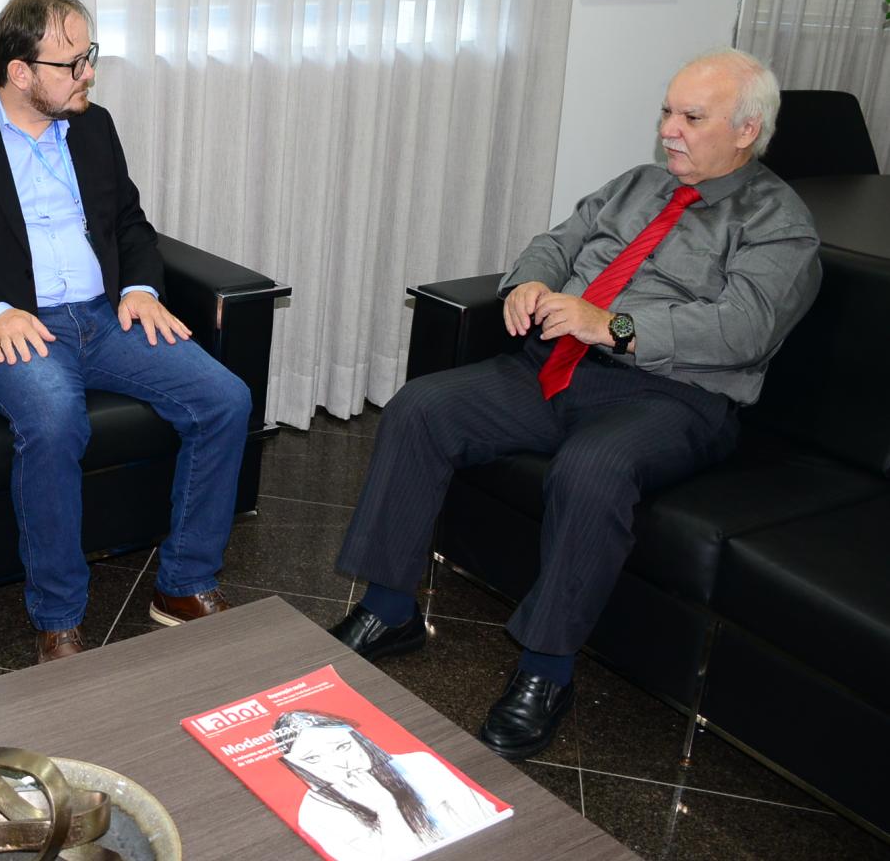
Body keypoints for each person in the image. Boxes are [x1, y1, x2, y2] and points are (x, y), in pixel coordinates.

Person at [328, 49, 822, 760]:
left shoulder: (780, 224)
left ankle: (546, 673)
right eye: (667, 111)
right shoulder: (638, 185)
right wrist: (529, 283)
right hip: (558, 368)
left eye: (691, 117)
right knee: (420, 407)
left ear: (747, 131)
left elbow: (743, 331)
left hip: (674, 397)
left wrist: (613, 325)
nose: (669, 130)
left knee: (592, 469)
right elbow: (556, 245)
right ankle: (389, 610)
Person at [0, 0, 252, 665]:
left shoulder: (94, 126)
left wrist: (142, 288)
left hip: (105, 317)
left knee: (225, 399)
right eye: (72, 64)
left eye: (90, 56)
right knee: (56, 420)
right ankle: (58, 619)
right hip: (17, 326)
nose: (88, 73)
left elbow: (129, 222)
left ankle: (183, 584)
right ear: (20, 71)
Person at [276, 710, 499, 861]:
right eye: (312, 759)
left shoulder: (419, 764)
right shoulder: (314, 814)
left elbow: (486, 818)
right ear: (296, 765)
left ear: (358, 739)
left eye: (343, 747)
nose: (339, 763)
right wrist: (386, 810)